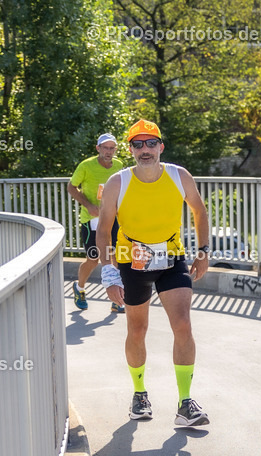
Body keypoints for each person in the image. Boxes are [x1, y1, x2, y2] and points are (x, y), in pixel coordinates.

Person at [95, 119, 211, 426]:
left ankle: (185, 403)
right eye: (137, 144)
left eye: (150, 144)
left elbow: (199, 210)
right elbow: (104, 230)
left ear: (160, 147)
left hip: (172, 257)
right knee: (137, 330)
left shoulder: (179, 176)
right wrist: (109, 273)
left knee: (183, 325)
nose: (144, 150)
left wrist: (203, 252)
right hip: (132, 262)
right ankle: (139, 394)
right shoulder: (118, 182)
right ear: (130, 149)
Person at [68, 133, 125, 313]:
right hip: (91, 218)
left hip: (112, 217)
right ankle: (80, 288)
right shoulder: (86, 166)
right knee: (93, 258)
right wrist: (88, 204)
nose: (109, 152)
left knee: (116, 256)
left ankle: (117, 299)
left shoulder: (119, 165)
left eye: (112, 148)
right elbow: (71, 187)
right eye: (105, 148)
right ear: (98, 148)